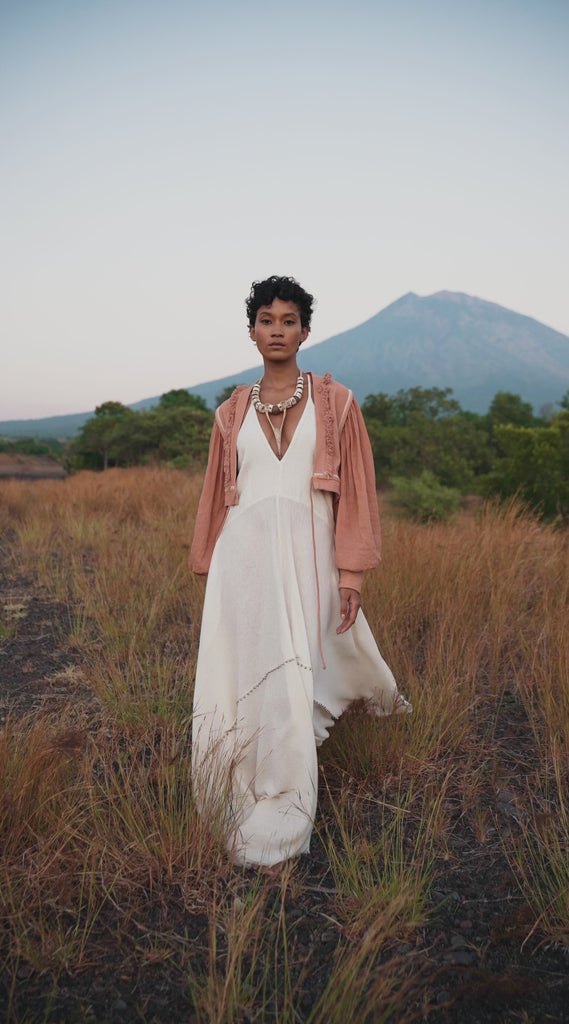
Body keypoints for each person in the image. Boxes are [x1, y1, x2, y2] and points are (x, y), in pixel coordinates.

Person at [190, 275, 410, 869]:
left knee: (295, 670)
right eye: (267, 320)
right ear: (253, 330)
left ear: (306, 331)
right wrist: (211, 569)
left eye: (289, 320)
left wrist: (353, 575)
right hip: (245, 565)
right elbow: (217, 499)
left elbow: (357, 494)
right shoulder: (230, 412)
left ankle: (286, 803)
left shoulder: (337, 403)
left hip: (310, 557)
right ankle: (242, 783)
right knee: (248, 674)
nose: (277, 330)